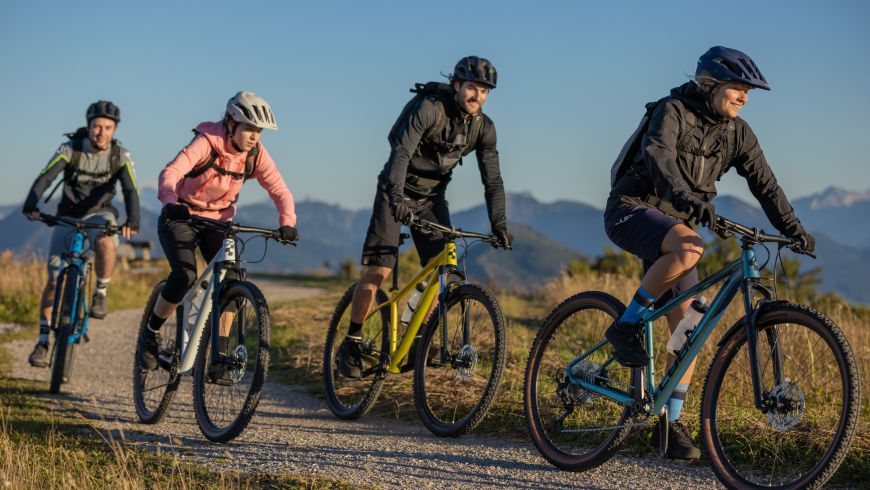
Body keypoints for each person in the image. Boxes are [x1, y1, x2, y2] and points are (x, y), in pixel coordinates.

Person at [603, 46, 815, 459]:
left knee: (691, 330)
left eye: (748, 91)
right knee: (691, 246)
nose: (745, 96)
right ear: (711, 84)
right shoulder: (673, 111)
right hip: (632, 209)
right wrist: (685, 196)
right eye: (738, 87)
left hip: (676, 226)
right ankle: (625, 327)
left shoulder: (738, 133)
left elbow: (765, 185)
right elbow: (658, 155)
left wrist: (793, 229)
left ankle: (669, 426)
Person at [336, 56, 512, 379]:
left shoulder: (483, 128)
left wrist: (499, 224)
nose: (478, 96)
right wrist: (397, 197)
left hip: (432, 199)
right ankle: (352, 339)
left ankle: (416, 339)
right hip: (396, 189)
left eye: (485, 92)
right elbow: (400, 153)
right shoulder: (430, 108)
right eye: (473, 88)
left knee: (443, 271)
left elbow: (493, 180)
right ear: (457, 85)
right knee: (380, 269)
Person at [138, 91, 298, 372]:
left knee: (232, 281)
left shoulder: (256, 154)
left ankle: (221, 354)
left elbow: (280, 191)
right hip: (181, 216)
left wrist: (287, 222)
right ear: (231, 123)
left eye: (258, 131)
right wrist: (169, 201)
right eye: (249, 128)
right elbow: (171, 172)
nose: (254, 136)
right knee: (185, 275)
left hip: (218, 222)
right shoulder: (207, 141)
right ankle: (150, 334)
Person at [23, 100, 140, 367]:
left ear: (115, 129)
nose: (101, 133)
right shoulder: (70, 150)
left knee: (106, 243)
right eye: (97, 127)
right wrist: (31, 204)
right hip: (67, 215)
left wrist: (133, 218)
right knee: (54, 280)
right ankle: (43, 341)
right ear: (88, 126)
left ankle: (100, 292)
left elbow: (131, 190)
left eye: (107, 128)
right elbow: (45, 178)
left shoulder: (120, 156)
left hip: (101, 214)